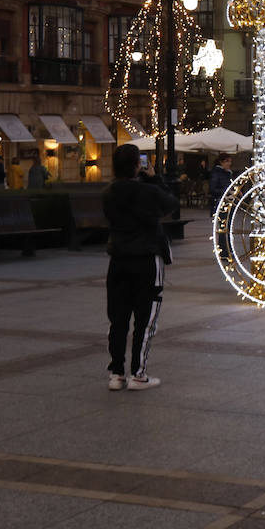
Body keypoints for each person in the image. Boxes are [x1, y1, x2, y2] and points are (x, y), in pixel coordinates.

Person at [103, 143, 176, 391]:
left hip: (119, 258)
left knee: (118, 318)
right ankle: (138, 373)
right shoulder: (148, 191)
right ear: (138, 165)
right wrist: (156, 179)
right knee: (145, 319)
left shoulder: (109, 192)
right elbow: (170, 204)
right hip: (146, 257)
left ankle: (116, 373)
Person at [208, 153, 234, 259]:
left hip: (228, 202)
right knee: (223, 227)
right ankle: (224, 251)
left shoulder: (227, 173)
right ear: (221, 162)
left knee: (228, 226)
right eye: (227, 161)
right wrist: (227, 192)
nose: (229, 164)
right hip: (220, 202)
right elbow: (213, 189)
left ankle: (227, 248)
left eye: (230, 161)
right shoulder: (217, 173)